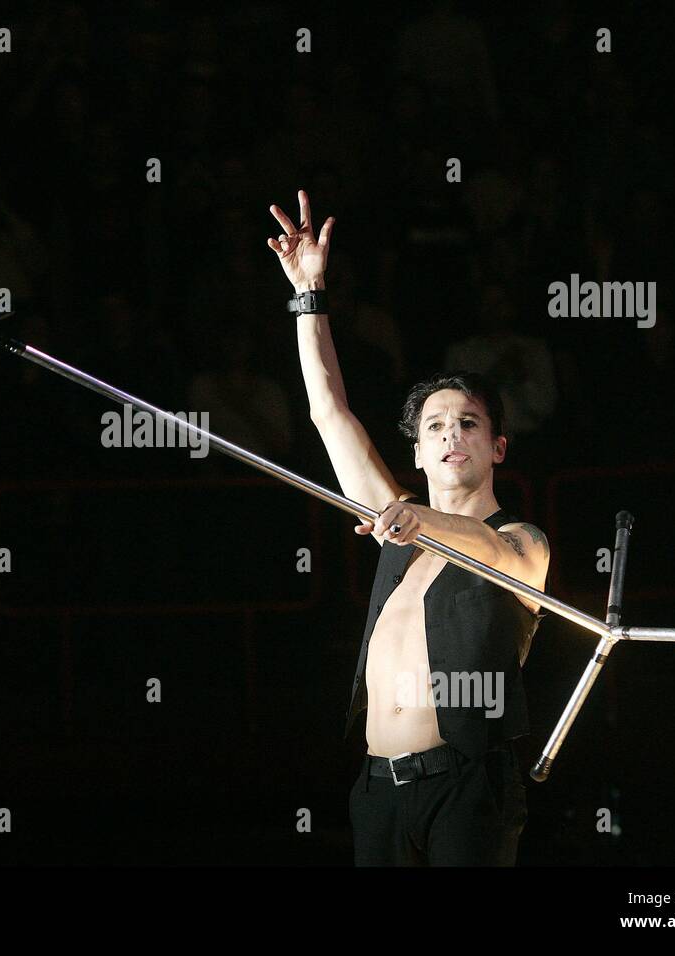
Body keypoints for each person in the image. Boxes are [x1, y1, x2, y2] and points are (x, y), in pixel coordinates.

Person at [267, 190, 551, 866]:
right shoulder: (399, 520)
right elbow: (328, 414)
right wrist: (310, 295)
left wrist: (418, 518)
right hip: (378, 790)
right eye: (435, 427)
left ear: (498, 448)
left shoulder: (520, 540)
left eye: (470, 424)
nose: (451, 433)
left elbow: (488, 551)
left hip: (465, 785)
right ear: (418, 452)